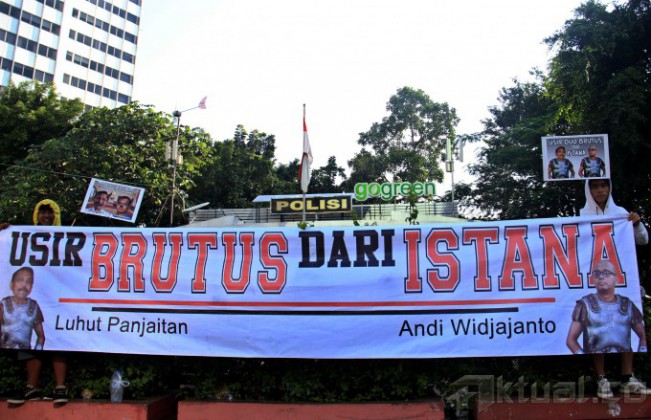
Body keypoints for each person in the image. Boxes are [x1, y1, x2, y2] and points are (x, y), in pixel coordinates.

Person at [572, 179, 649, 398]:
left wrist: (636, 223)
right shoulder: (582, 215)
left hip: (621, 280)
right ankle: (601, 378)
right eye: (595, 186)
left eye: (603, 186)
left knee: (627, 324)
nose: (600, 190)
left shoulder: (621, 213)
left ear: (609, 188)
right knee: (595, 327)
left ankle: (627, 377)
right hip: (593, 280)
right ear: (589, 190)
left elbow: (643, 240)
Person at [4, 200, 69, 404]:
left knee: (59, 340)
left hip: (58, 299)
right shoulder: (24, 237)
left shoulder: (66, 237)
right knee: (29, 341)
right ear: (36, 215)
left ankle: (60, 388)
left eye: (50, 213)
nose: (46, 216)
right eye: (42, 213)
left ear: (56, 215)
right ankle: (31, 388)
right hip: (35, 299)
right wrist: (3, 232)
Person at [1, 267, 45, 350]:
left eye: (29, 281)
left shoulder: (34, 306)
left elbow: (41, 337)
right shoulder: (3, 305)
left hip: (25, 353)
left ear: (31, 286)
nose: (24, 285)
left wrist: (37, 351)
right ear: (12, 284)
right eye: (20, 280)